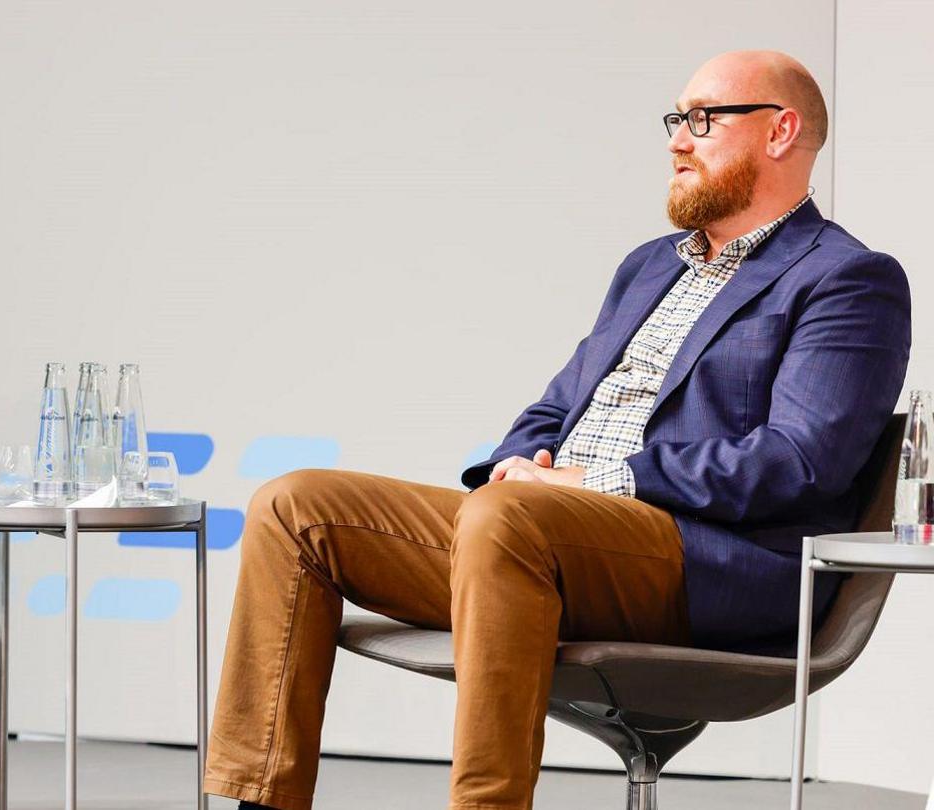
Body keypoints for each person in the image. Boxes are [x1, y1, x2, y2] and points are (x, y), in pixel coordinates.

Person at [204, 50, 911, 810]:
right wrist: (519, 465)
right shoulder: (650, 266)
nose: (677, 140)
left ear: (780, 132)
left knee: (510, 519)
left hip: (702, 557)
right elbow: (556, 408)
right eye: (677, 120)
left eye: (703, 120)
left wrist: (592, 483)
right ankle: (262, 803)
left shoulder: (846, 278)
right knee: (294, 506)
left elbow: (801, 461)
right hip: (536, 531)